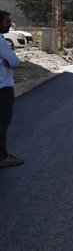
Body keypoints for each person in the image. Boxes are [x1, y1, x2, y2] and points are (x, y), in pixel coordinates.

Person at [0, 10, 23, 168]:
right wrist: (9, 61)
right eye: (7, 22)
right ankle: (2, 156)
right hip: (3, 88)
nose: (10, 25)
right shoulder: (0, 41)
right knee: (2, 122)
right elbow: (14, 61)